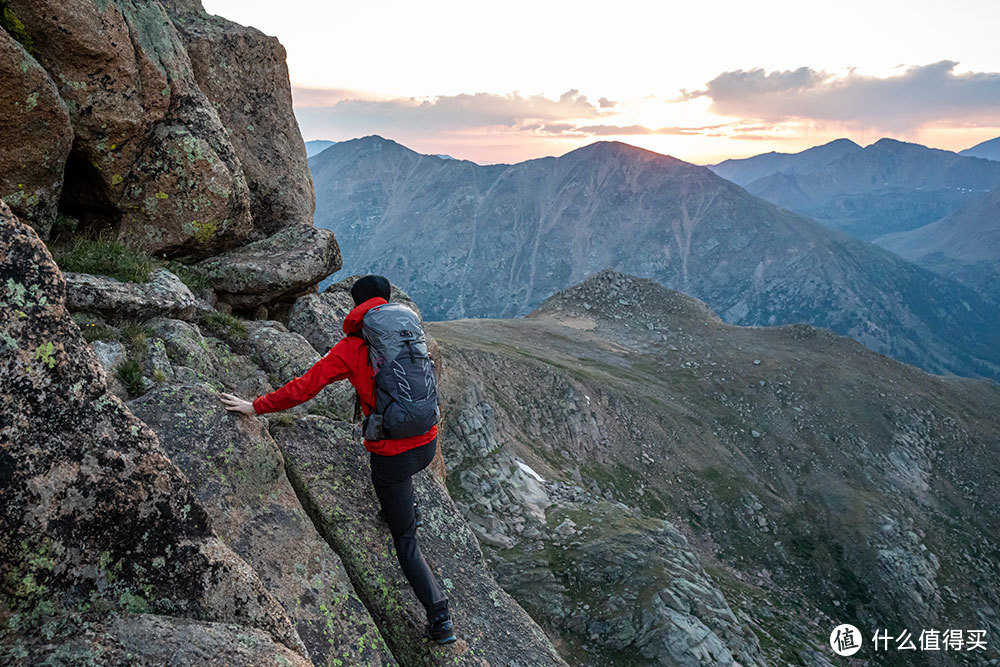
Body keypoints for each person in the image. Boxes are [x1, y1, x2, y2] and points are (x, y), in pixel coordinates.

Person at [219, 275, 455, 644]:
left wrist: (255, 406)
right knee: (401, 490)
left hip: (392, 457)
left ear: (356, 305)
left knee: (405, 539)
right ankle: (405, 506)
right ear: (386, 302)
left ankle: (439, 617)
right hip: (426, 443)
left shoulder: (350, 347)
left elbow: (306, 386)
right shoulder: (410, 333)